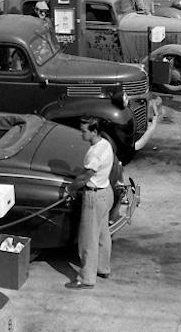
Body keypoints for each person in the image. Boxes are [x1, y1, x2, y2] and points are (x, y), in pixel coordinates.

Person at [64, 116, 115, 289]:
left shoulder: (93, 154)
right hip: (106, 193)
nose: (81, 134)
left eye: (84, 131)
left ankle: (86, 279)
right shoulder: (105, 144)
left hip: (94, 197)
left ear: (94, 131)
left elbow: (86, 176)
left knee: (88, 239)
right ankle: (102, 267)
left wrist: (71, 188)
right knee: (102, 234)